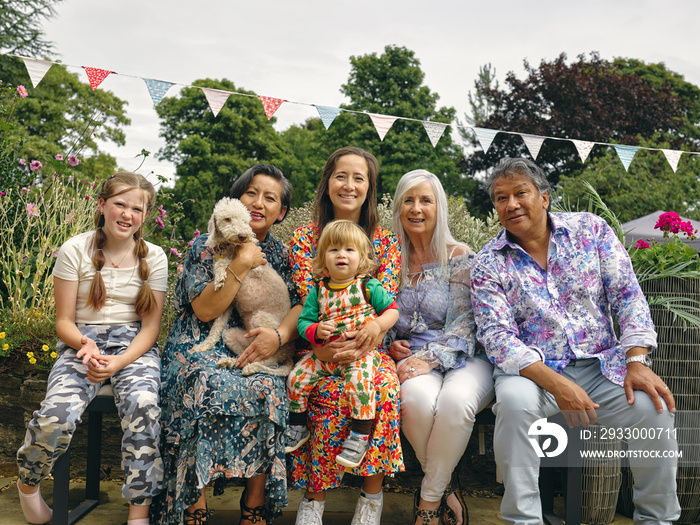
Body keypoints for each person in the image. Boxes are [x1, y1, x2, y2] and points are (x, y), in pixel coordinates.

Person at [470, 157, 680, 524]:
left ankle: (657, 519)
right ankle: (525, 520)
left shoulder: (591, 231)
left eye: (521, 193)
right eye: (501, 198)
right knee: (516, 406)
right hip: (533, 372)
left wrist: (637, 361)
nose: (511, 204)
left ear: (545, 198)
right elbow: (497, 337)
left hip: (603, 366)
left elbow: (628, 296)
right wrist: (559, 386)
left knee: (654, 411)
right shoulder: (488, 263)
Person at [16, 172, 167, 525]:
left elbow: (151, 328)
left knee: (143, 406)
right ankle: (28, 483)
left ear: (145, 216)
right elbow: (64, 321)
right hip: (82, 343)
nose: (127, 214)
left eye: (137, 208)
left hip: (134, 348)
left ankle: (138, 512)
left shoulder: (155, 257)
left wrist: (118, 362)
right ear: (101, 205)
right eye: (119, 204)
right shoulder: (75, 249)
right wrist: (86, 345)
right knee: (56, 414)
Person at [155, 164, 302, 525]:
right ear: (234, 200)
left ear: (281, 212)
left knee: (270, 386)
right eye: (251, 193)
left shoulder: (283, 254)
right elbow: (206, 311)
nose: (259, 203)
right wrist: (240, 262)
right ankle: (194, 505)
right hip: (199, 345)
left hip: (255, 344)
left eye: (270, 198)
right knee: (204, 382)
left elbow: (301, 302)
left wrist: (279, 335)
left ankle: (253, 506)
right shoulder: (205, 246)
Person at [288, 146, 402, 525]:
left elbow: (383, 307)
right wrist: (321, 349)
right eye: (341, 176)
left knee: (383, 386)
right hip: (320, 350)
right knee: (323, 391)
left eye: (359, 178)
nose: (349, 185)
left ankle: (370, 501)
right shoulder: (306, 239)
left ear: (370, 188)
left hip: (368, 350)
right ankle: (313, 500)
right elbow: (309, 304)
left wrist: (371, 332)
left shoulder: (385, 241)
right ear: (327, 183)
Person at [386, 169, 494, 525]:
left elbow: (468, 321)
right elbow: (376, 310)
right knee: (414, 402)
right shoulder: (389, 261)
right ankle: (447, 487)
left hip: (465, 357)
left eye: (425, 200)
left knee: (455, 403)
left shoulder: (460, 255)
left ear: (439, 207)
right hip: (412, 359)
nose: (416, 208)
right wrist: (391, 343)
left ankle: (428, 503)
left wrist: (429, 358)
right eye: (409, 200)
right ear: (399, 207)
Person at [288, 220, 399, 469]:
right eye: (334, 249)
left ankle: (359, 435)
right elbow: (304, 323)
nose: (341, 255)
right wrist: (316, 331)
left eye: (349, 250)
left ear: (360, 259)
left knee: (360, 384)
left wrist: (376, 326)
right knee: (297, 377)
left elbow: (392, 312)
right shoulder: (318, 291)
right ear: (322, 259)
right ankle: (297, 425)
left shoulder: (367, 286)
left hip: (359, 352)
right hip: (325, 355)